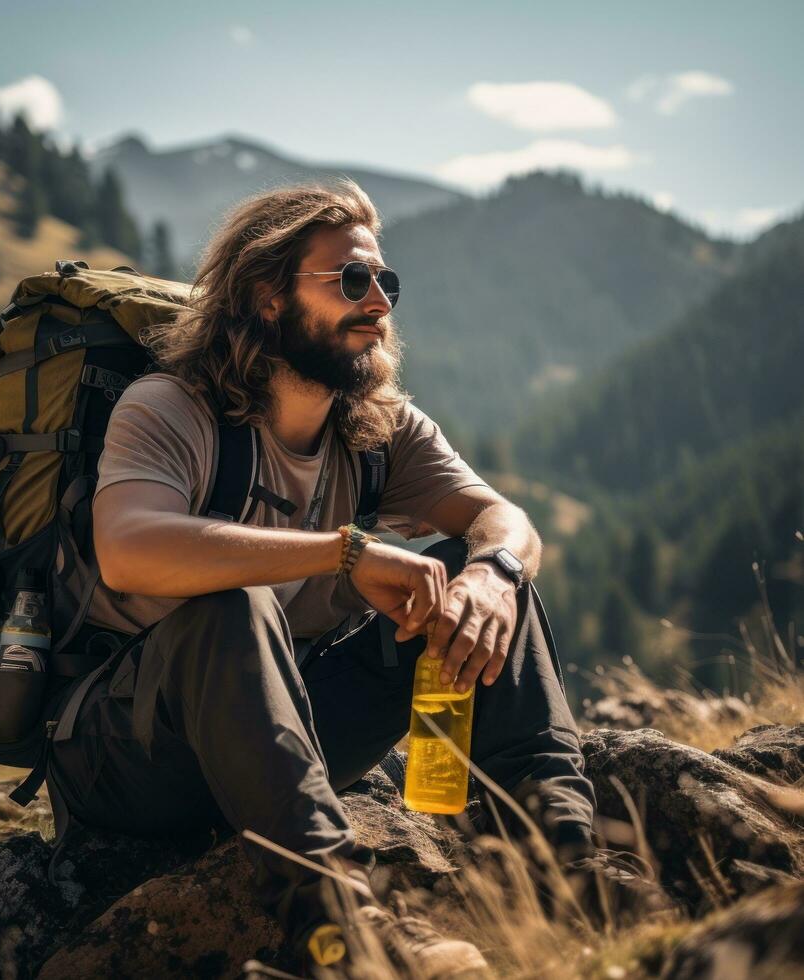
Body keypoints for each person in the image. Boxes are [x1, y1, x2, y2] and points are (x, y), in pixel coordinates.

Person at [48, 179, 596, 977]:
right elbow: (130, 548)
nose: (378, 302)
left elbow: (502, 517)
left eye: (386, 283)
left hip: (281, 733)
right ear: (267, 298)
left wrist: (495, 574)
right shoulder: (169, 408)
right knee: (230, 607)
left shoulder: (379, 427)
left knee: (465, 574)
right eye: (350, 281)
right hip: (129, 755)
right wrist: (343, 552)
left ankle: (566, 880)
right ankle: (341, 927)